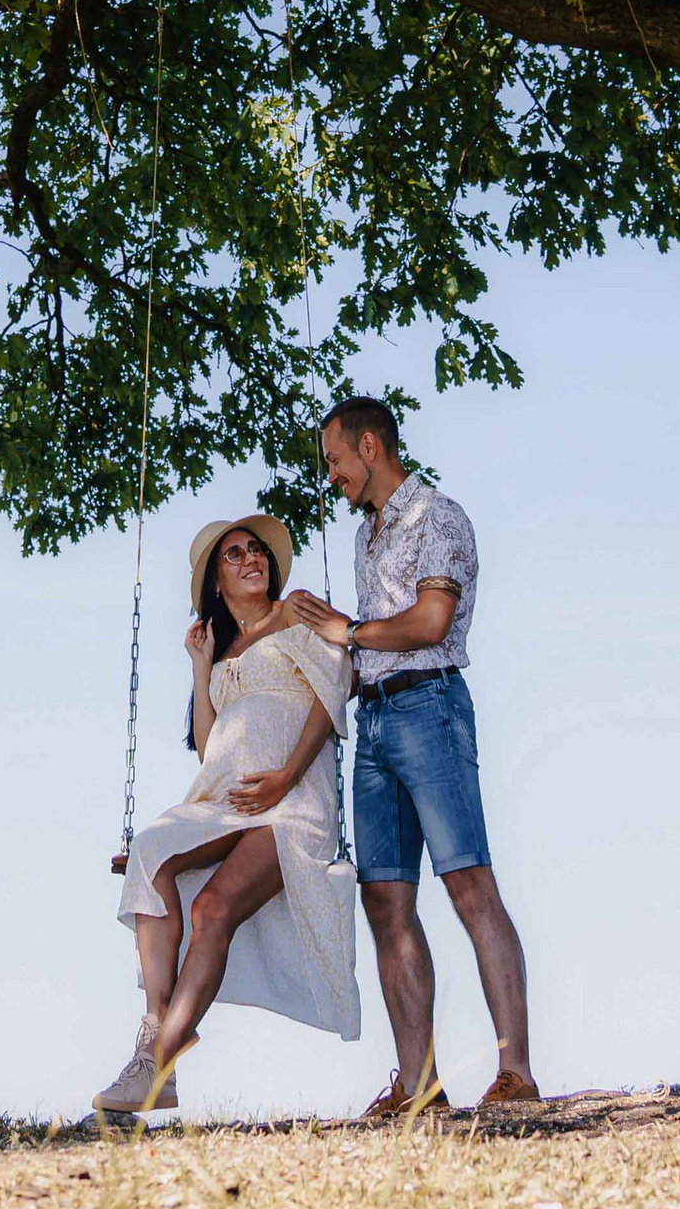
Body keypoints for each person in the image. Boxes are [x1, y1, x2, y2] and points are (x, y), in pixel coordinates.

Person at [271, 397, 540, 1119]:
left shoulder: (439, 516)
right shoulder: (365, 537)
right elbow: (356, 647)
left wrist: (347, 629)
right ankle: (418, 1085)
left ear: (369, 446)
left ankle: (515, 1071)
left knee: (470, 888)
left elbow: (430, 621)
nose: (331, 477)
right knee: (385, 902)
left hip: (432, 709)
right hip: (376, 724)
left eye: (334, 461)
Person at [94, 514, 358, 1116]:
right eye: (234, 555)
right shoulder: (220, 651)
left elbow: (334, 684)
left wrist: (288, 775)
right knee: (151, 851)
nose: (250, 559)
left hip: (291, 803)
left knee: (214, 907)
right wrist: (200, 666)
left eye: (256, 550)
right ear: (216, 580)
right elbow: (209, 743)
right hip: (225, 802)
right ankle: (157, 1036)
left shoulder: (295, 611)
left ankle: (156, 1064)